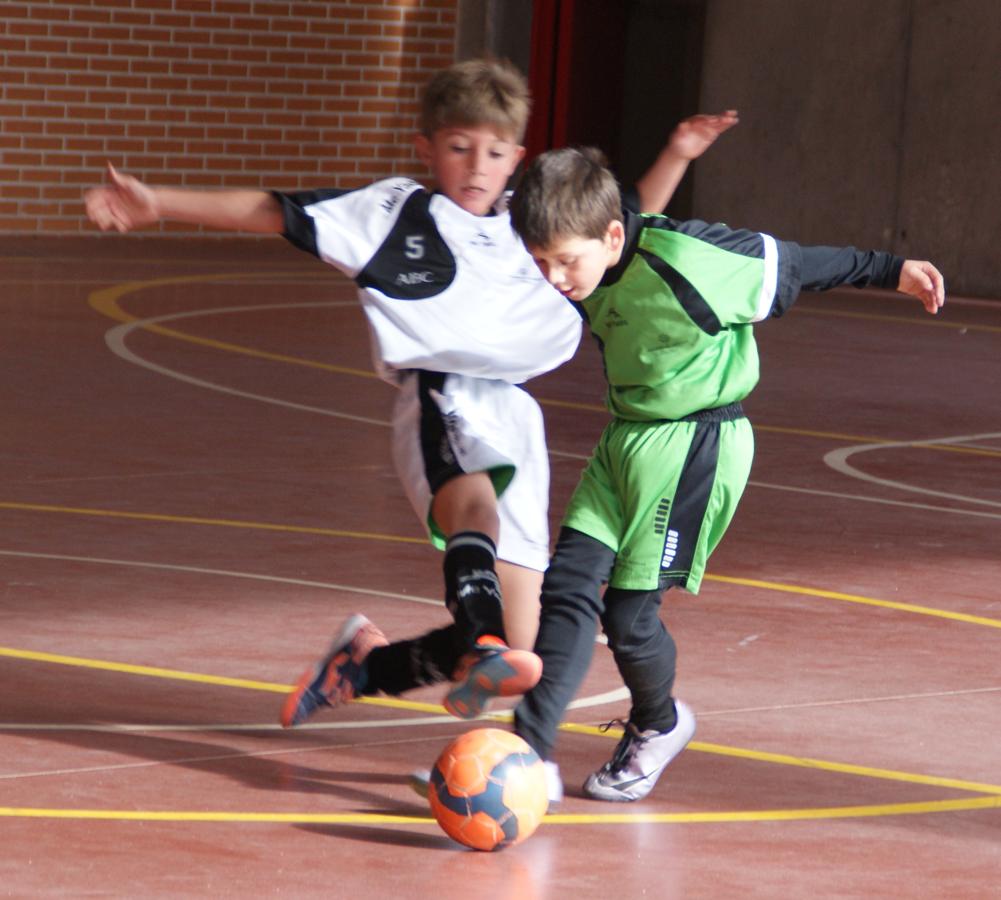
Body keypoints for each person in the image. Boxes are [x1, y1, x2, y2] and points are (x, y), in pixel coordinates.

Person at [85, 58, 737, 730]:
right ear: (428, 148)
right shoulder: (393, 214)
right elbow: (274, 211)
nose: (475, 167)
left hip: (514, 411)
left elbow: (623, 220)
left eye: (492, 152)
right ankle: (478, 639)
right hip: (441, 397)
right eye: (458, 148)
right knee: (474, 508)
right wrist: (159, 201)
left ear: (516, 156)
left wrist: (678, 152)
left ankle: (365, 666)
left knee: (523, 645)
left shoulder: (533, 225)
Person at [506, 145, 945, 802]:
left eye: (565, 261)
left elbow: (797, 263)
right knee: (565, 585)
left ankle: (659, 725)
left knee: (628, 616)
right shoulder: (584, 255)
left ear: (613, 236)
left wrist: (892, 269)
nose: (555, 278)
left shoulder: (693, 260)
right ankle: (527, 754)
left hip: (696, 442)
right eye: (541, 262)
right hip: (626, 434)